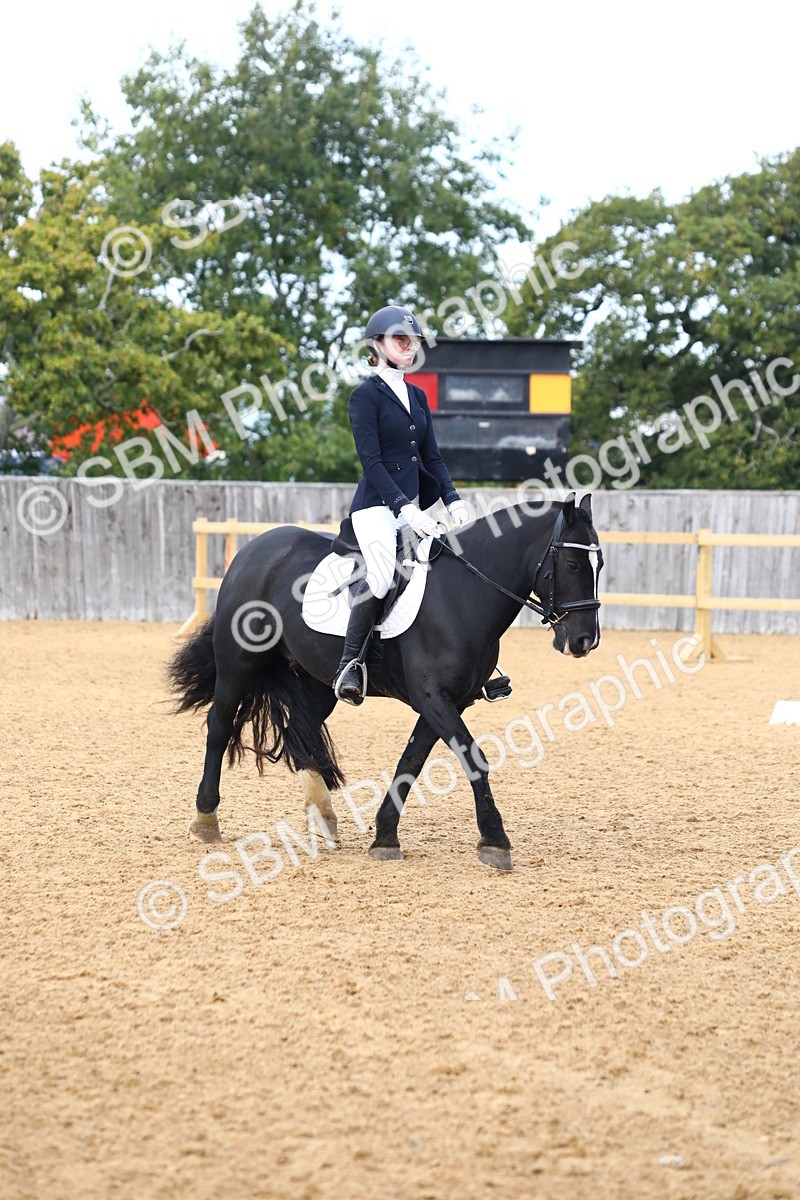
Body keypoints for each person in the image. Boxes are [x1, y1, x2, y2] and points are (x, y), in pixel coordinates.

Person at [333, 305, 471, 705]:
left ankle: (473, 664)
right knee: (379, 575)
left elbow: (433, 458)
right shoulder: (365, 396)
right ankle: (350, 665)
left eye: (411, 341)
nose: (409, 347)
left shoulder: (417, 395)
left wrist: (452, 498)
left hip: (412, 507)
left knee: (448, 566)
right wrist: (403, 508)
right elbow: (371, 462)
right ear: (378, 344)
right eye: (400, 339)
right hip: (377, 507)